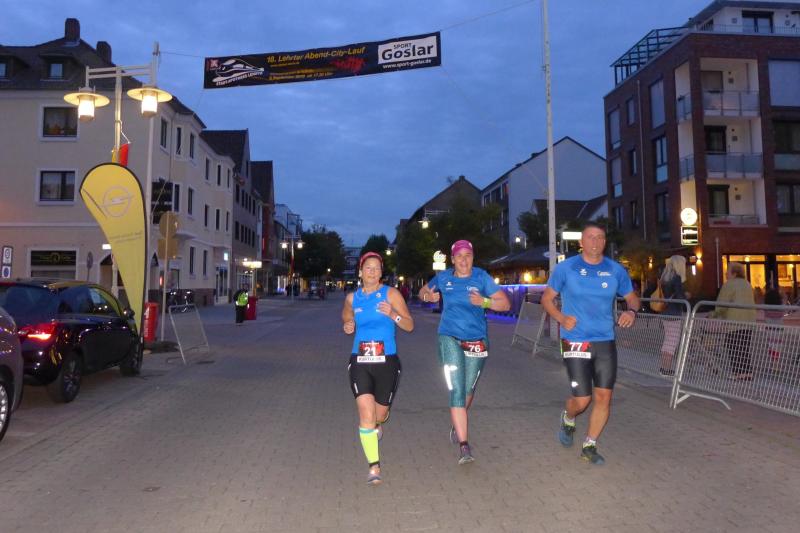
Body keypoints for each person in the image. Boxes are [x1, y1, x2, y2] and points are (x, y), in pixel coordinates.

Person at [540, 222, 640, 465]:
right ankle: (568, 417)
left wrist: (631, 312)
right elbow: (547, 299)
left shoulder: (615, 270)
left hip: (605, 340)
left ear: (605, 242)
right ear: (581, 242)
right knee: (582, 400)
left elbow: (632, 298)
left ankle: (589, 445)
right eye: (590, 237)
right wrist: (561, 318)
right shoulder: (566, 268)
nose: (595, 242)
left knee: (604, 397)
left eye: (600, 237)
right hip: (575, 340)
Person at [418, 240, 511, 465]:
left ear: (473, 257)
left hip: (477, 340)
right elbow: (423, 292)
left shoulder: (481, 277)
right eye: (459, 256)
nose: (463, 260)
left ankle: (457, 420)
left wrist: (485, 301)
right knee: (458, 390)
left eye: (467, 255)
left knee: (468, 390)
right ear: (452, 259)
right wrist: (428, 296)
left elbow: (505, 304)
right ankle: (464, 445)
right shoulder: (443, 278)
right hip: (449, 337)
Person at [342, 252, 413, 485]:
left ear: (381, 272)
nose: (372, 272)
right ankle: (374, 466)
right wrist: (348, 324)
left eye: (376, 268)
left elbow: (409, 325)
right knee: (366, 414)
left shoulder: (391, 294)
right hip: (360, 361)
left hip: (387, 362)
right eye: (368, 268)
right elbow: (346, 315)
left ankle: (379, 423)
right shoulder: (352, 298)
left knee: (378, 415)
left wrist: (393, 314)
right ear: (360, 272)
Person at [710, 262, 756, 381]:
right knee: (744, 346)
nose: (726, 273)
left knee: (733, 346)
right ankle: (747, 372)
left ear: (734, 273)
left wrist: (713, 314)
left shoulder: (729, 284)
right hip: (749, 320)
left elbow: (722, 304)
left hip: (734, 320)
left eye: (728, 271)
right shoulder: (747, 284)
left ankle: (738, 373)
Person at [658, 255, 687, 375]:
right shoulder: (676, 278)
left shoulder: (664, 278)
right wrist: (686, 297)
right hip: (674, 312)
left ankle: (664, 367)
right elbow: (679, 297)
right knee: (672, 341)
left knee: (668, 340)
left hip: (664, 311)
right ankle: (666, 369)